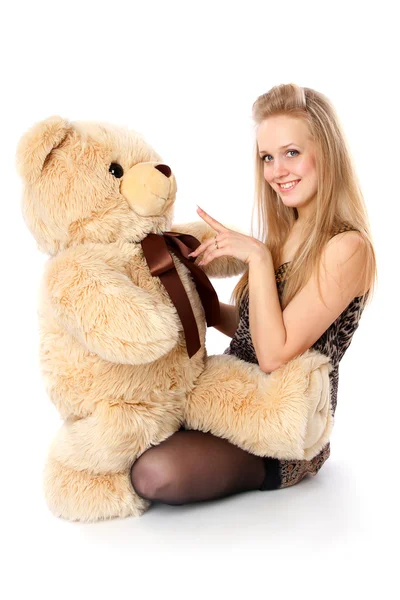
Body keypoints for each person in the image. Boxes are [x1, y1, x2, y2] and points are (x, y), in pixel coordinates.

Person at [130, 83, 377, 504]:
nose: (278, 170)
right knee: (130, 429)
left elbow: (274, 354)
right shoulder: (286, 234)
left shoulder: (346, 248)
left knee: (155, 473)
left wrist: (258, 259)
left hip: (284, 429)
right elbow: (251, 331)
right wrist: (199, 301)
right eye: (267, 157)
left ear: (327, 153)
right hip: (234, 397)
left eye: (291, 152)